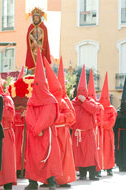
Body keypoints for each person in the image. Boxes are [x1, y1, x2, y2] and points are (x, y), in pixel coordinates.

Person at [24, 47, 62, 190]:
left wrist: (38, 128)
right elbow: (29, 115)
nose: (36, 87)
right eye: (35, 85)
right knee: (33, 159)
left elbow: (48, 115)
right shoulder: (31, 100)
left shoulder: (50, 100)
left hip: (46, 134)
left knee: (49, 158)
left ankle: (51, 182)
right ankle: (32, 182)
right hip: (35, 135)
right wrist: (35, 129)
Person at [43, 57, 76, 187]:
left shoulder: (64, 101)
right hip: (51, 133)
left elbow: (71, 117)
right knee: (50, 155)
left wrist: (56, 118)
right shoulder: (48, 100)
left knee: (63, 156)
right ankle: (49, 179)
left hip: (62, 132)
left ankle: (63, 179)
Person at [71, 65, 100, 181]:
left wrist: (84, 102)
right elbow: (71, 116)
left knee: (90, 154)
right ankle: (82, 174)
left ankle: (92, 174)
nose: (81, 94)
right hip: (78, 133)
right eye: (80, 92)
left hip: (88, 133)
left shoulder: (90, 101)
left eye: (83, 92)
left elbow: (94, 110)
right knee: (80, 154)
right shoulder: (73, 103)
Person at [99, 73, 117, 176]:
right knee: (100, 150)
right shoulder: (98, 107)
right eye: (103, 98)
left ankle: (109, 167)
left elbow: (111, 123)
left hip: (108, 133)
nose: (105, 100)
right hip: (100, 133)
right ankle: (100, 167)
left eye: (106, 98)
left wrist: (102, 124)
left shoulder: (112, 109)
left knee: (109, 151)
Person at [87, 68, 104, 177]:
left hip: (97, 131)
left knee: (97, 150)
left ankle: (97, 170)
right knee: (90, 152)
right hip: (89, 131)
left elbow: (99, 119)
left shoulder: (99, 106)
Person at [25, 7, 51, 72]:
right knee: (34, 60)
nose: (35, 19)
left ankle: (39, 71)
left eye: (36, 18)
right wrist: (33, 40)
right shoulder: (31, 27)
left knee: (40, 60)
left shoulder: (43, 27)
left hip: (40, 46)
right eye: (34, 18)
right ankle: (34, 72)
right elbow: (29, 35)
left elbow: (44, 36)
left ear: (39, 18)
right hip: (33, 47)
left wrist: (38, 40)